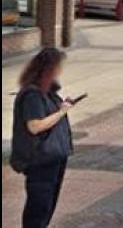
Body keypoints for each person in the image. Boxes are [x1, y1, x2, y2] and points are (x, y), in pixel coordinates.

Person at [11, 47, 76, 228]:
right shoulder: (32, 94)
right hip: (41, 160)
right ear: (49, 69)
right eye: (58, 67)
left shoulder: (47, 92)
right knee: (39, 207)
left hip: (53, 157)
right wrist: (62, 111)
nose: (60, 72)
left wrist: (62, 105)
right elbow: (35, 126)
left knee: (47, 205)